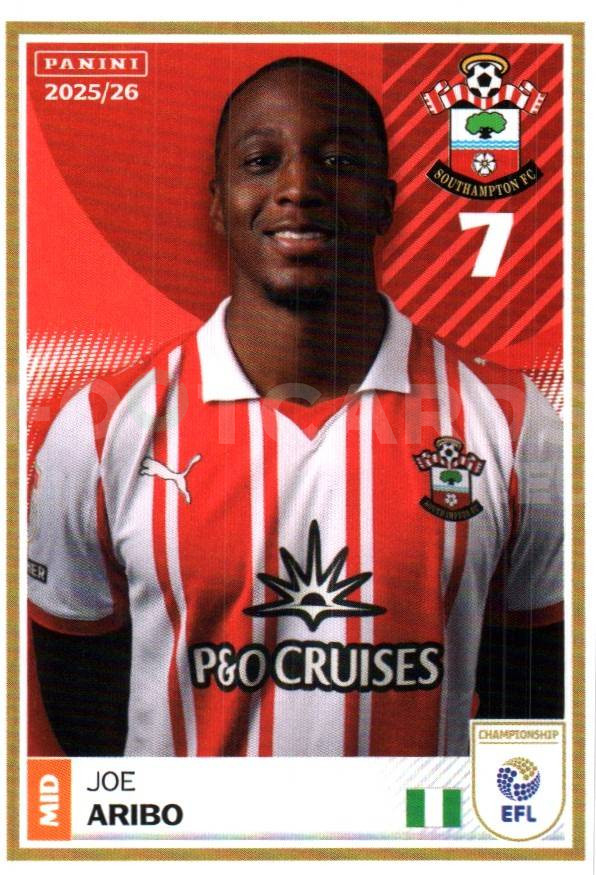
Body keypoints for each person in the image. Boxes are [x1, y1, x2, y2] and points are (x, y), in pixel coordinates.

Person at [28, 57, 563, 757]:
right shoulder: (102, 427)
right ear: (218, 203)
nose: (300, 188)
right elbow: (81, 690)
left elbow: (538, 686)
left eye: (339, 160)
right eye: (262, 161)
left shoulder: (514, 422)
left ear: (385, 202)